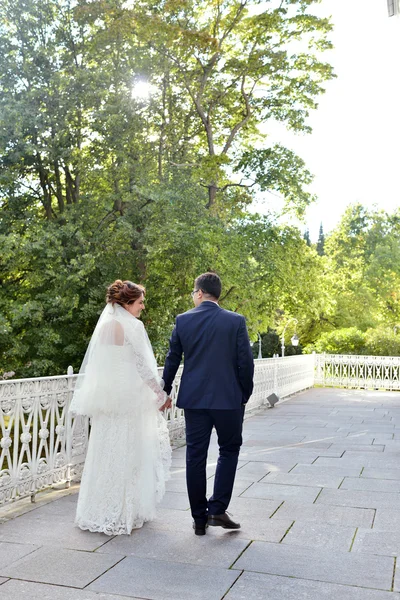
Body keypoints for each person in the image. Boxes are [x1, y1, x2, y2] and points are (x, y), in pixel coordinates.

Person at [69, 280, 172, 536]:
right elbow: (142, 367)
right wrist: (161, 394)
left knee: (104, 453)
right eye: (139, 302)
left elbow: (101, 366)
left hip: (107, 400)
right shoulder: (132, 327)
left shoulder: (104, 327)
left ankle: (97, 509)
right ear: (127, 303)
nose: (142, 307)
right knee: (129, 454)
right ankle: (125, 511)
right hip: (128, 401)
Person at [162, 272, 254, 536]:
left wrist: (164, 390)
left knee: (195, 455)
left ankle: (199, 519)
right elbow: (245, 362)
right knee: (229, 449)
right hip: (228, 400)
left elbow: (172, 359)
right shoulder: (235, 321)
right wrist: (243, 394)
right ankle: (217, 508)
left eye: (193, 293)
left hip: (194, 400)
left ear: (199, 292)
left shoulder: (183, 320)